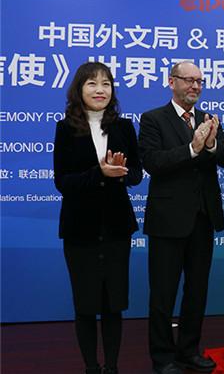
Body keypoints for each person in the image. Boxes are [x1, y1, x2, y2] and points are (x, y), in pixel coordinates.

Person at [138, 61, 224, 374]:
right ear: (172, 82)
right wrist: (192, 149)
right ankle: (163, 358)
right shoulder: (153, 119)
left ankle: (188, 351)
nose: (195, 86)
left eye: (199, 81)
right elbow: (152, 162)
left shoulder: (209, 119)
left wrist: (212, 144)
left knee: (197, 290)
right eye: (189, 80)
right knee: (162, 294)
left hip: (203, 218)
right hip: (168, 220)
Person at [53, 62, 142, 374]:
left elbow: (136, 175)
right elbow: (62, 182)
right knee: (86, 306)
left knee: (113, 305)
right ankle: (91, 368)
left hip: (117, 228)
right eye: (92, 83)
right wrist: (99, 172)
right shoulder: (65, 128)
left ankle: (112, 367)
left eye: (106, 83)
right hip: (80, 230)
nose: (100, 90)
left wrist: (121, 173)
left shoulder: (124, 127)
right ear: (79, 89)